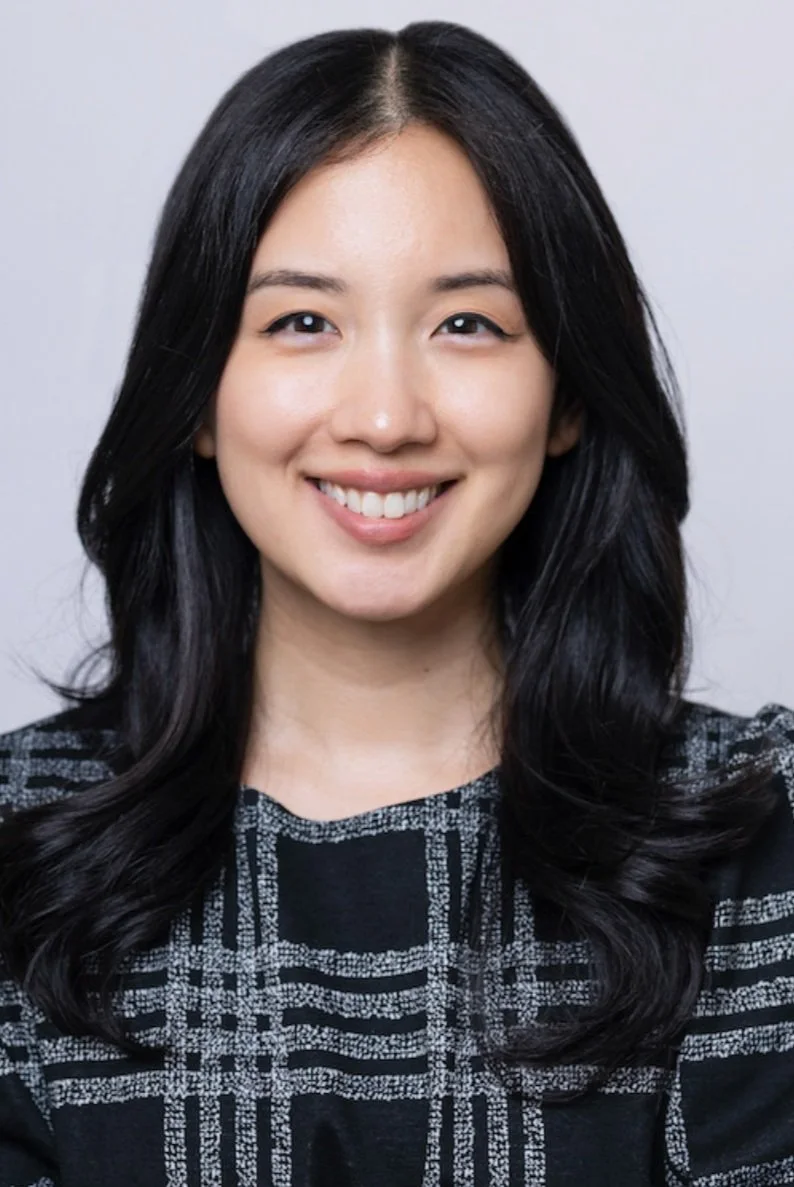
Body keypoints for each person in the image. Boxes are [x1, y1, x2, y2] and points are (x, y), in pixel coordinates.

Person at [0, 19, 792, 1187]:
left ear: (563, 395)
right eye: (301, 321)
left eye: (467, 322)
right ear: (198, 397)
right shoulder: (23, 842)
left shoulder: (748, 840)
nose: (383, 416)